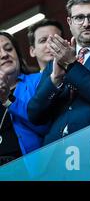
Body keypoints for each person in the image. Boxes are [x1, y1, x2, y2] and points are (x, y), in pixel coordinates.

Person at [27, 0, 90, 145]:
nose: (86, 23)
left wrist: (71, 65)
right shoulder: (56, 60)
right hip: (53, 155)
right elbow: (34, 115)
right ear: (69, 22)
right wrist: (55, 80)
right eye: (79, 18)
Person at [0, 32, 49, 166]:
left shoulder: (38, 81)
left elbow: (46, 126)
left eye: (9, 49)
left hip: (37, 170)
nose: (4, 54)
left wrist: (7, 99)